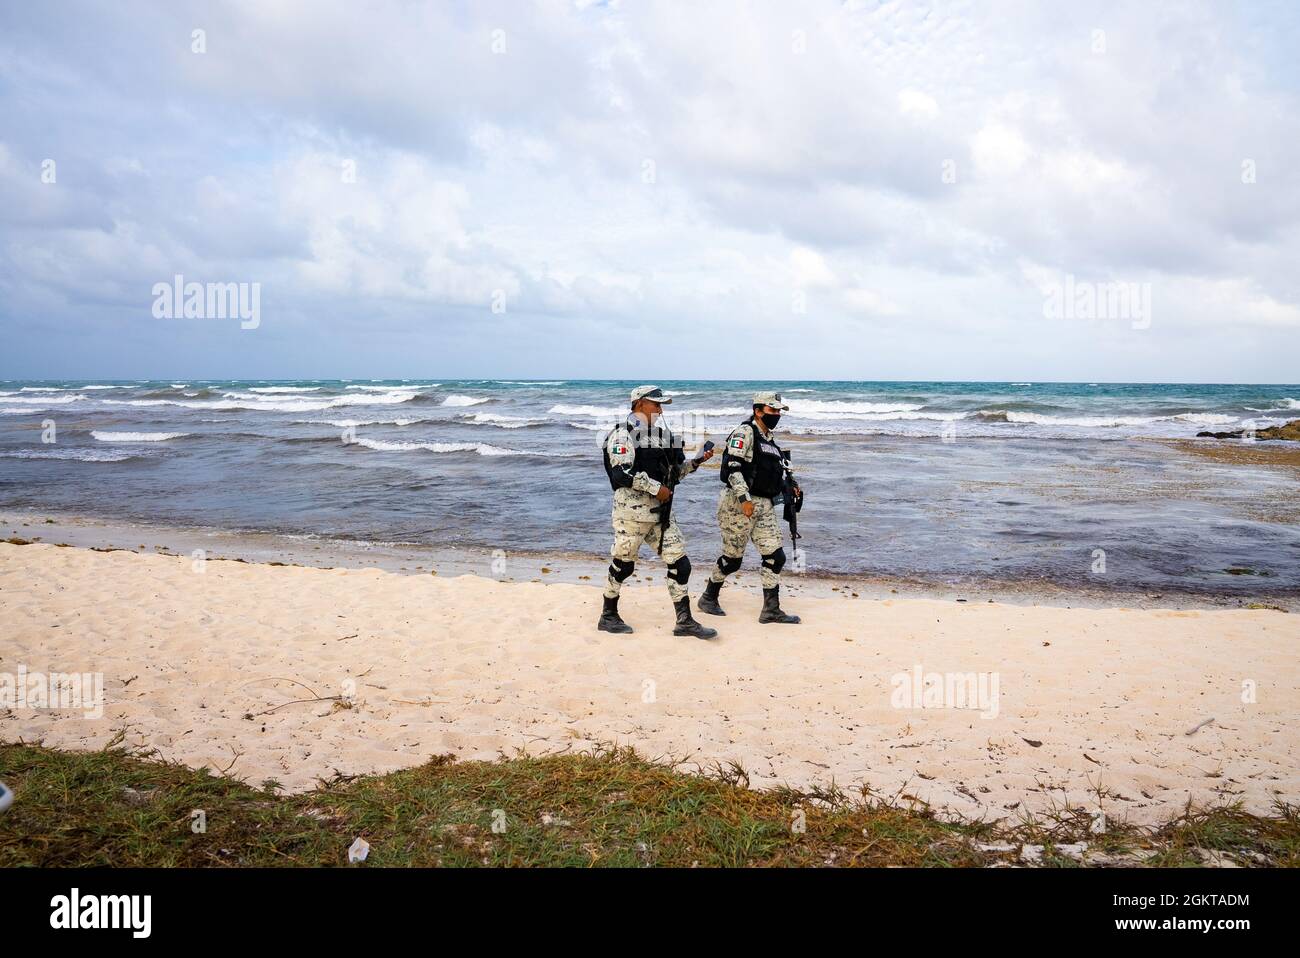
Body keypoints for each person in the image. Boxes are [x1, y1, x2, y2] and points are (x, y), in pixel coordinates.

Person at [599, 385, 718, 639]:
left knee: (680, 564)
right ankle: (608, 615)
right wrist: (656, 489)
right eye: (656, 404)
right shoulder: (623, 435)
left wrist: (696, 461)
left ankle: (684, 621)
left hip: (660, 515)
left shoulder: (663, 437)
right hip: (631, 514)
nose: (660, 409)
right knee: (623, 566)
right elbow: (622, 474)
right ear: (640, 404)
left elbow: (673, 475)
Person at [698, 391, 801, 624]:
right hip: (738, 503)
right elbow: (733, 468)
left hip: (764, 505)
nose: (776, 414)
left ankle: (771, 610)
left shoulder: (769, 439)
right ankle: (708, 597)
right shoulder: (744, 432)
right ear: (758, 410)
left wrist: (790, 486)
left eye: (778, 411)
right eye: (772, 410)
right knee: (733, 559)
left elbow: (771, 472)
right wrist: (744, 499)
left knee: (776, 556)